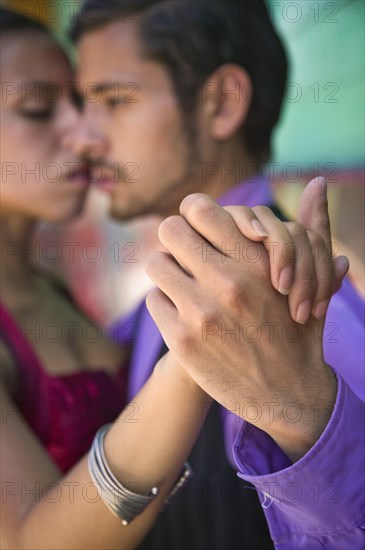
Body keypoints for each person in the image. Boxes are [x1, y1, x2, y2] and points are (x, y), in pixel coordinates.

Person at [0, 6, 341, 550]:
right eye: (44, 108)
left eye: (112, 101)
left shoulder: (311, 294)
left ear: (223, 102)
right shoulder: (146, 316)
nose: (83, 137)